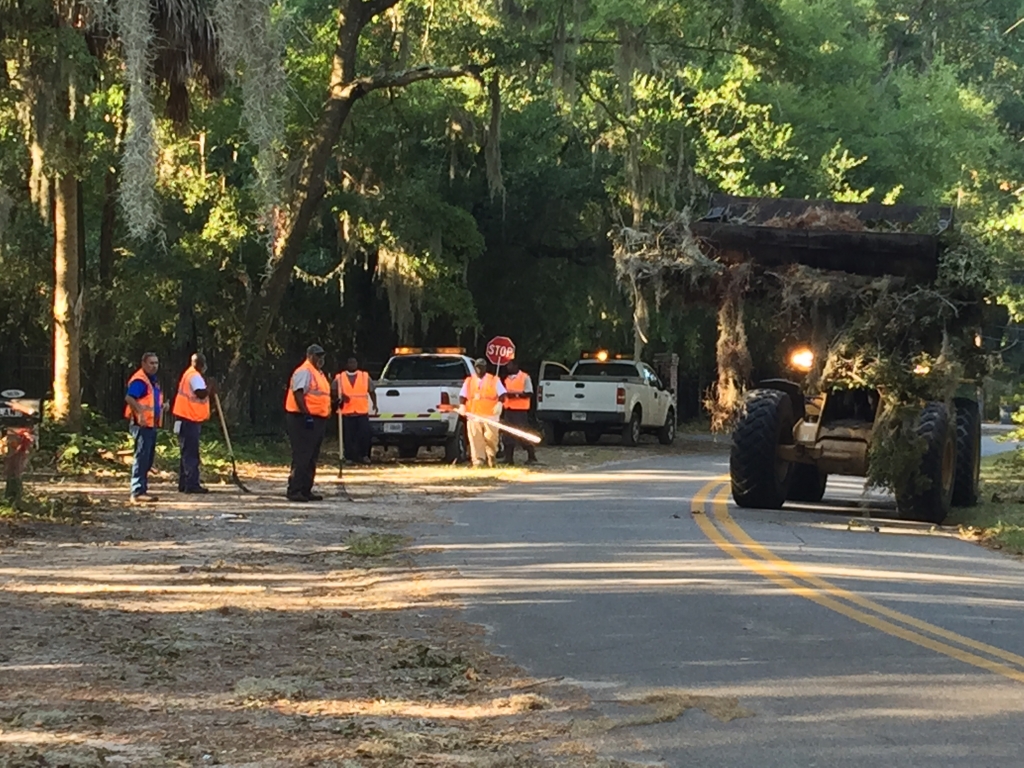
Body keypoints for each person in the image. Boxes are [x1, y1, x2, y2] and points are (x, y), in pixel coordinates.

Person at [284, 344, 331, 502]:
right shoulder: (304, 371)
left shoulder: (319, 374)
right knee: (302, 455)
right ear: (310, 355)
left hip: (317, 419)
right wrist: (306, 414)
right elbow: (298, 393)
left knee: (312, 456)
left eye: (322, 356)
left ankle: (305, 489)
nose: (320, 359)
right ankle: (294, 489)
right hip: (301, 418)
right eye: (318, 355)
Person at [124, 352, 163, 504]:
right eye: (151, 363)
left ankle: (142, 489)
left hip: (150, 425)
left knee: (147, 459)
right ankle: (137, 491)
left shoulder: (152, 381)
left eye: (156, 363)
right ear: (143, 364)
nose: (154, 366)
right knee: (141, 458)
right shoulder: (140, 380)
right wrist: (139, 412)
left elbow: (151, 403)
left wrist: (162, 407)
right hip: (141, 425)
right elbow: (129, 397)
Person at [172, 353, 212, 494]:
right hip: (189, 418)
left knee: (186, 452)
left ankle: (184, 483)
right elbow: (200, 393)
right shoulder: (194, 376)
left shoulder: (188, 374)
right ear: (200, 364)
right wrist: (210, 389)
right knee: (191, 453)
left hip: (184, 417)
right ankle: (192, 484)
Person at [460, 358, 506, 468]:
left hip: (490, 415)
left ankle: (491, 456)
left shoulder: (494, 379)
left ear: (486, 368)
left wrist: (500, 404)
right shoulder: (469, 381)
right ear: (475, 368)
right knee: (475, 437)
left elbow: (502, 394)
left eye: (482, 367)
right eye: (478, 367)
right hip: (474, 414)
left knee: (491, 437)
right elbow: (463, 395)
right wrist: (462, 405)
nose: (480, 369)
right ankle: (478, 460)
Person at [332, 357, 378, 465]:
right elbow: (333, 390)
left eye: (354, 362)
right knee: (348, 437)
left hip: (361, 411)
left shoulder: (364, 376)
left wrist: (375, 404)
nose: (352, 364)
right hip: (347, 412)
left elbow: (372, 391)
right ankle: (349, 457)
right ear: (347, 364)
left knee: (365, 435)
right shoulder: (340, 377)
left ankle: (364, 455)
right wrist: (341, 396)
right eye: (350, 362)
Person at [502, 360, 537, 465]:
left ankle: (531, 456)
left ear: (516, 365)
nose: (508, 367)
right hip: (509, 410)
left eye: (510, 365)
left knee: (522, 433)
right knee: (507, 434)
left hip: (520, 411)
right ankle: (509, 459)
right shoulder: (507, 379)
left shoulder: (525, 377)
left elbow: (529, 393)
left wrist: (516, 395)